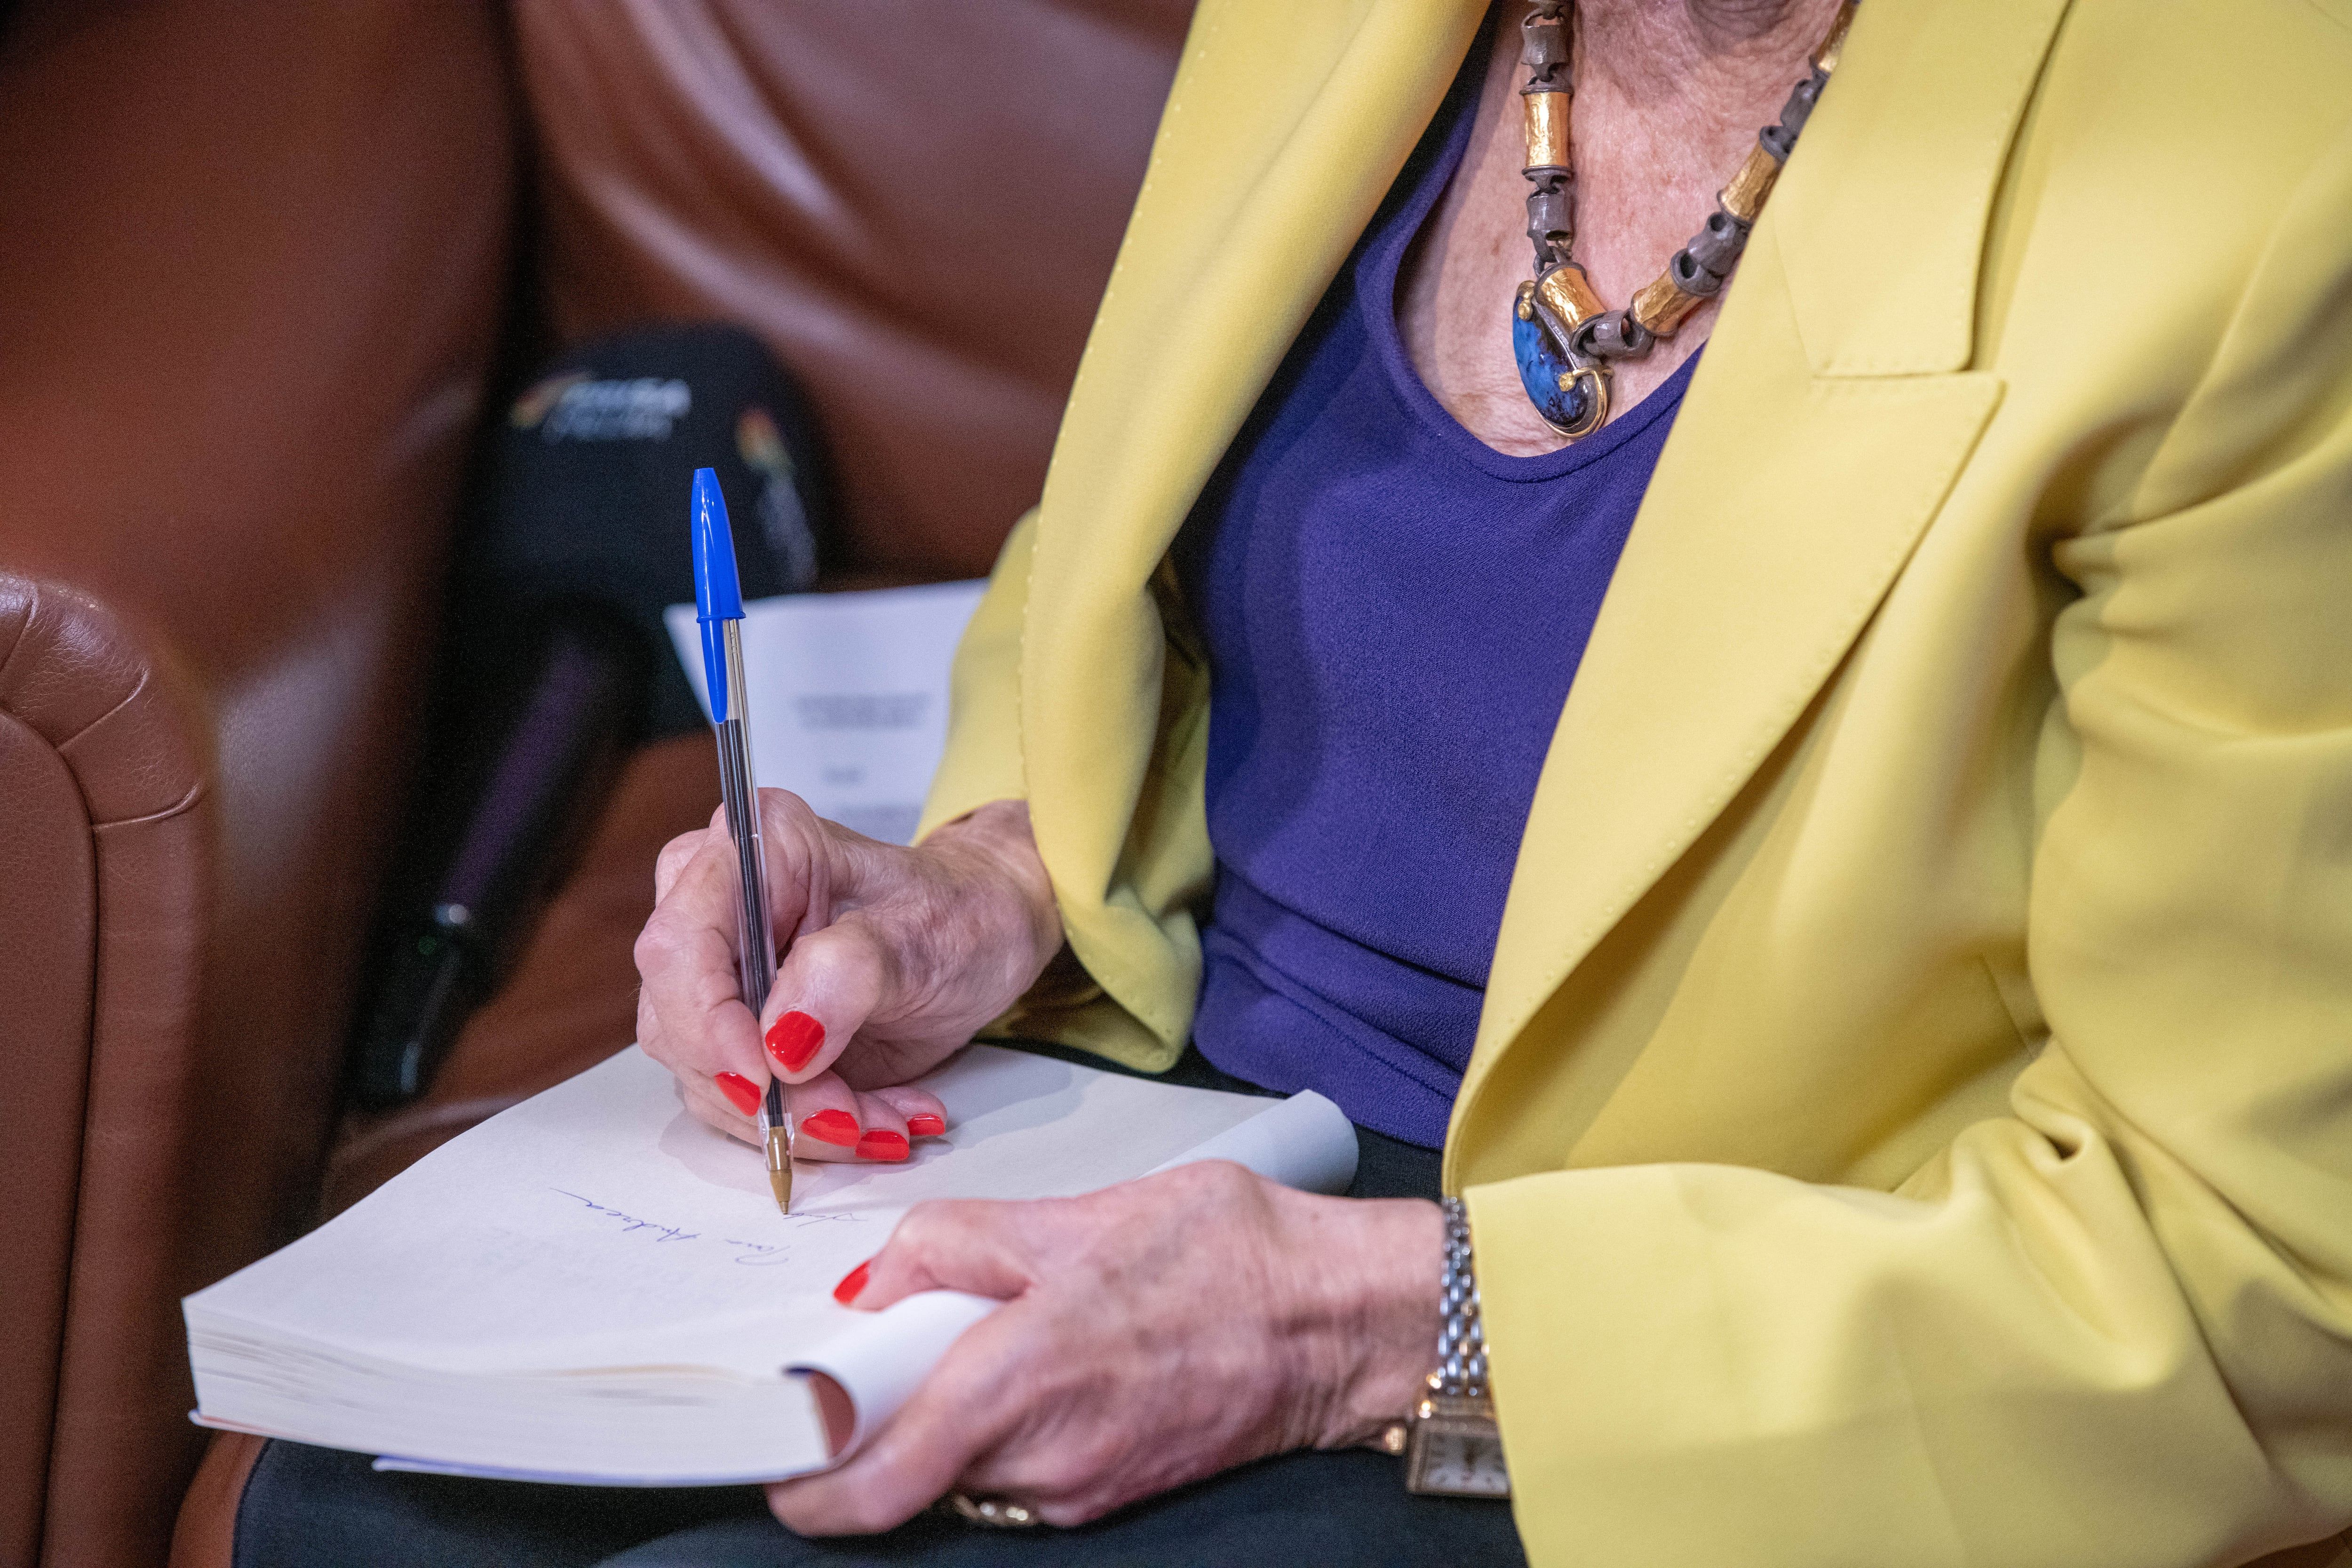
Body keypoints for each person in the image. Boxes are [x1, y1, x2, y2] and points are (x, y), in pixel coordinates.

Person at [236, 0, 2352, 1563]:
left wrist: (1352, 1329)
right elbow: (1123, 568)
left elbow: (2261, 1288)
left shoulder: (2268, 176)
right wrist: (989, 886)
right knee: (360, 1514)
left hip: (1635, 1338)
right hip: (1166, 1117)